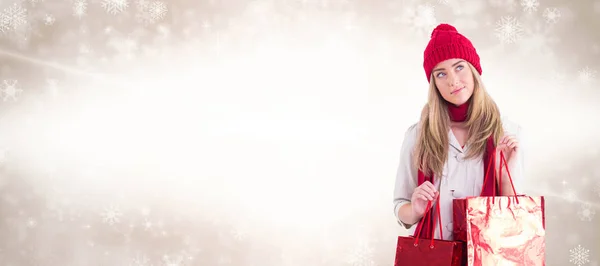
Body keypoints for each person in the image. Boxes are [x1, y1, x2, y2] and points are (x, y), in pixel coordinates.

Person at [392, 23, 525, 240]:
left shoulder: (507, 133)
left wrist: (504, 177)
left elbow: (516, 222)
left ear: (474, 70)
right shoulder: (418, 136)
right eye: (441, 74)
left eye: (459, 67)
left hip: (488, 256)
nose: (453, 80)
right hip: (434, 258)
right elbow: (401, 207)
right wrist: (415, 209)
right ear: (433, 83)